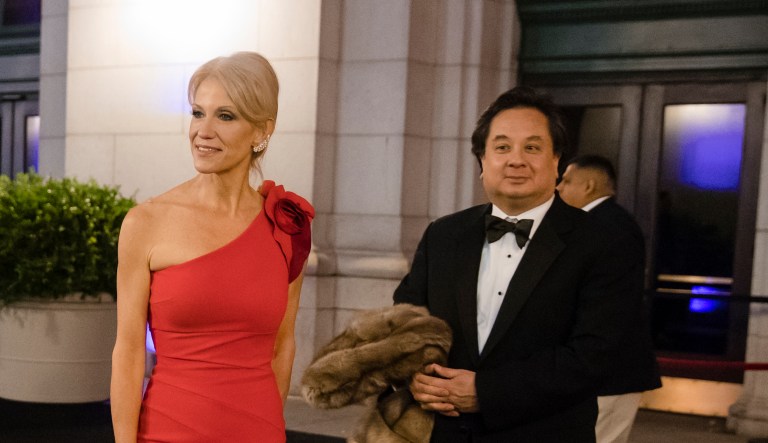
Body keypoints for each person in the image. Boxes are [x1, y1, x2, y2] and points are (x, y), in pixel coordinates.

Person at [393, 86, 642, 442]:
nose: (516, 159)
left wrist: (488, 393)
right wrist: (413, 377)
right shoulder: (444, 234)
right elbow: (405, 320)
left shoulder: (603, 241)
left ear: (557, 161)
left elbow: (595, 355)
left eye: (532, 147)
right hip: (443, 432)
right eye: (502, 147)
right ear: (482, 161)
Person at [110, 52, 314, 443]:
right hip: (169, 429)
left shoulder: (287, 225)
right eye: (197, 112)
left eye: (225, 116)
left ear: (262, 131)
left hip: (258, 430)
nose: (203, 130)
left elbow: (282, 345)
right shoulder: (145, 222)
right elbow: (130, 351)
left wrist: (269, 424)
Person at [556, 154, 661, 443]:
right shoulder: (597, 223)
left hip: (611, 375)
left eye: (566, 181)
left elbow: (611, 310)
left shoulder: (610, 227)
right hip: (595, 374)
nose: (559, 188)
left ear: (588, 186)